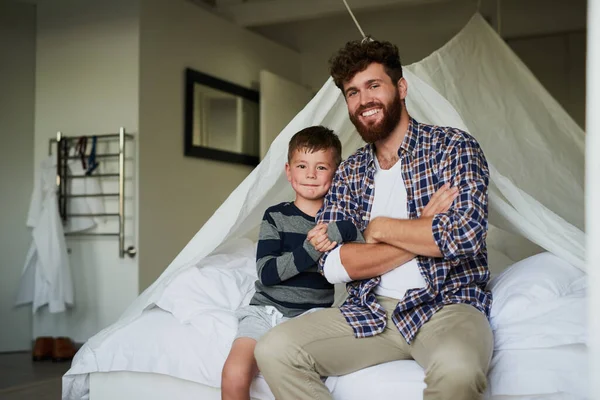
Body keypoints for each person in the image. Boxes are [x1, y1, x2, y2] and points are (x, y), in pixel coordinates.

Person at [254, 38, 493, 400]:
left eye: (373, 86)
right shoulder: (349, 173)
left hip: (446, 305)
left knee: (458, 369)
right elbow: (333, 265)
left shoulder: (453, 148)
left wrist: (378, 230)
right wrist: (420, 232)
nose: (363, 100)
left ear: (401, 87)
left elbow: (464, 236)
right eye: (352, 92)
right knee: (274, 349)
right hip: (369, 311)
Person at [221, 126, 345, 400]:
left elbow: (359, 249)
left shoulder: (339, 223)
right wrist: (311, 248)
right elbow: (266, 273)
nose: (311, 174)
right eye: (302, 165)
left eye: (321, 167)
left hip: (311, 317)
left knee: (297, 376)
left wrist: (339, 232)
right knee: (234, 373)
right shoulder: (275, 217)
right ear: (289, 171)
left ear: (337, 174)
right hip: (266, 312)